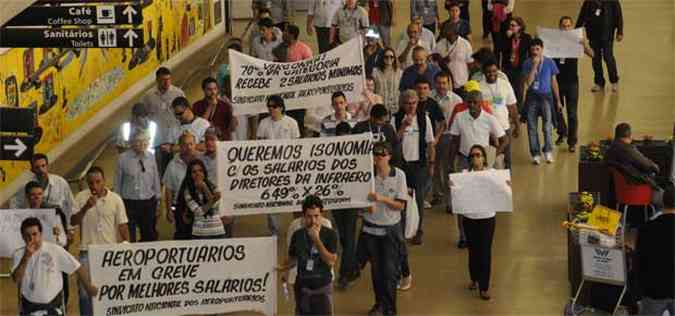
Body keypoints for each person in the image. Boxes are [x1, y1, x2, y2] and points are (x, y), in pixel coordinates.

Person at [448, 90, 507, 247]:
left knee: (482, 199)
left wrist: (492, 156)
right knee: (461, 200)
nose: (472, 105)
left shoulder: (489, 119)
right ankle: (463, 236)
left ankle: (481, 230)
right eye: (470, 102)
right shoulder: (460, 117)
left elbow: (504, 139)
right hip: (463, 161)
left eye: (475, 102)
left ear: (481, 103)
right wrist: (451, 163)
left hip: (482, 164)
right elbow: (454, 141)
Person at [357, 141, 408, 316]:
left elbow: (400, 205)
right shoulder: (366, 176)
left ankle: (390, 309)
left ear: (389, 156)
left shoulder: (399, 175)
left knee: (390, 272)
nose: (378, 158)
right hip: (370, 229)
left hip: (390, 230)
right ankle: (379, 304)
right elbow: (358, 206)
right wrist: (365, 209)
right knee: (376, 271)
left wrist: (381, 199)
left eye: (382, 155)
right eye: (375, 154)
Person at [71, 166, 129, 316]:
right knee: (85, 293)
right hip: (87, 252)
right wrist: (85, 208)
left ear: (104, 181)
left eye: (98, 182)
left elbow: (122, 225)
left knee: (112, 291)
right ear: (87, 183)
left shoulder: (116, 199)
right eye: (91, 183)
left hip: (111, 252)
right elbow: (73, 221)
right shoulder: (80, 197)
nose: (94, 186)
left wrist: (127, 246)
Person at [450, 144, 504, 301]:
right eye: (472, 156)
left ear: (484, 158)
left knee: (485, 251)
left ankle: (484, 286)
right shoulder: (464, 175)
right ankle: (474, 278)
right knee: (473, 251)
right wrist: (453, 187)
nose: (475, 158)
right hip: (470, 218)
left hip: (487, 218)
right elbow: (458, 193)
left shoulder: (492, 174)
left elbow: (501, 189)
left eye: (478, 155)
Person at [12, 217, 97, 315]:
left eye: (35, 234)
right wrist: (26, 257)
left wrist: (88, 287)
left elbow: (77, 267)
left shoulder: (55, 250)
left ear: (41, 234)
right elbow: (16, 279)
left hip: (53, 307)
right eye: (27, 235)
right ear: (22, 237)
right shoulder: (18, 254)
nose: (32, 239)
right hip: (29, 308)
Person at [278, 195, 338, 315]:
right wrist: (283, 268)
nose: (313, 221)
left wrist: (316, 240)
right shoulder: (297, 235)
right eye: (309, 217)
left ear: (322, 214)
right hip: (302, 289)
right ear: (303, 216)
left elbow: (331, 261)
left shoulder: (330, 234)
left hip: (322, 289)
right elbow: (293, 258)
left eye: (316, 216)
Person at [392, 89, 435, 245]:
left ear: (418, 103)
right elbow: (394, 141)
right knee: (401, 198)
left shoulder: (424, 119)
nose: (411, 106)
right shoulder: (395, 119)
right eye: (408, 103)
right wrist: (403, 126)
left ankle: (418, 231)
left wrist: (431, 164)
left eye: (414, 103)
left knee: (419, 200)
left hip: (419, 165)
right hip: (401, 165)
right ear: (402, 104)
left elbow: (430, 143)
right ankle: (402, 230)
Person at [257, 95, 301, 235]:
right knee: (272, 200)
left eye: (274, 106)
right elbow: (258, 146)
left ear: (281, 107)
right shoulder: (263, 123)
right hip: (270, 169)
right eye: (269, 106)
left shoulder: (292, 123)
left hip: (290, 168)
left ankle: (299, 228)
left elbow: (298, 147)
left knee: (295, 199)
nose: (271, 109)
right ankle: (274, 231)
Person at [553, 16, 594, 152]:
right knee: (556, 111)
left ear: (572, 27)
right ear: (559, 27)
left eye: (569, 26)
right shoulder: (554, 42)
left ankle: (572, 141)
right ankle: (562, 131)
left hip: (572, 83)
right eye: (564, 26)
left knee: (572, 114)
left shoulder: (576, 42)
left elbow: (592, 54)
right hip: (556, 82)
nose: (566, 28)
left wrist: (584, 44)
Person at [114, 130, 161, 242]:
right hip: (129, 202)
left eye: (145, 141)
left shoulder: (151, 157)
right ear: (131, 143)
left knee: (149, 234)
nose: (142, 144)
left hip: (148, 202)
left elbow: (155, 178)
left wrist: (158, 201)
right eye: (138, 141)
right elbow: (117, 183)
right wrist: (117, 203)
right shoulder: (123, 159)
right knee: (130, 236)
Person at [634, 183, 674, 316]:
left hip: (653, 291)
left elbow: (638, 262)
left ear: (663, 202)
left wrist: (638, 293)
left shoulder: (647, 228)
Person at [521, 38, 561, 165]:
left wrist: (558, 100)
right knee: (532, 127)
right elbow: (528, 82)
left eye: (537, 49)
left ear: (542, 49)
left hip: (546, 97)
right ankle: (535, 153)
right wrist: (534, 65)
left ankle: (548, 151)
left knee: (547, 127)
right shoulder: (527, 63)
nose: (535, 52)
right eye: (533, 49)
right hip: (532, 97)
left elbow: (554, 82)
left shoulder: (550, 62)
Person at [10, 153, 75, 232]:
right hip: (35, 229)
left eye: (43, 166)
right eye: (37, 167)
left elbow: (71, 206)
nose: (41, 170)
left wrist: (70, 229)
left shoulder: (60, 182)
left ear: (48, 166)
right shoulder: (26, 186)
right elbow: (14, 205)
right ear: (32, 170)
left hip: (58, 228)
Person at [142, 67, 186, 176]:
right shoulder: (148, 96)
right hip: (158, 141)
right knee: (159, 171)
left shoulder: (178, 93)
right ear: (157, 80)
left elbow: (185, 113)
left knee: (178, 169)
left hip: (175, 139)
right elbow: (143, 116)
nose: (167, 82)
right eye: (163, 80)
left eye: (169, 79)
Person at [478, 58, 519, 168]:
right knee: (489, 158)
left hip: (504, 127)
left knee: (508, 158)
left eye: (494, 71)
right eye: (489, 71)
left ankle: (507, 183)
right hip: (487, 130)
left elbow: (512, 105)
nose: (492, 74)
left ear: (498, 71)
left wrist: (517, 125)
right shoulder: (479, 87)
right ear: (484, 73)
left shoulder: (505, 84)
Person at [576, 0, 623, 92]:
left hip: (607, 35)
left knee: (608, 57)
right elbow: (582, 16)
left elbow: (618, 16)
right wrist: (575, 31)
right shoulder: (589, 1)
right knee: (595, 59)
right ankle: (599, 83)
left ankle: (614, 81)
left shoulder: (613, 1)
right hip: (593, 35)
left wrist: (620, 31)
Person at [430, 72, 463, 205]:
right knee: (435, 166)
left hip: (449, 137)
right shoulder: (429, 97)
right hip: (432, 137)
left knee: (449, 167)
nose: (441, 86)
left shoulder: (457, 100)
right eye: (438, 83)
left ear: (449, 83)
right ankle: (437, 194)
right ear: (434, 83)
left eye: (444, 83)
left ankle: (450, 198)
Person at [176, 159, 228, 239]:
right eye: (194, 172)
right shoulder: (188, 191)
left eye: (200, 170)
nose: (198, 174)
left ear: (204, 172)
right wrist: (213, 199)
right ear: (190, 175)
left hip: (218, 231)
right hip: (200, 233)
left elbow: (215, 207)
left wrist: (205, 187)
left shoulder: (212, 186)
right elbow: (198, 212)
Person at [163, 132, 200, 240]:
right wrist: (169, 210)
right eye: (185, 144)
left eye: (191, 144)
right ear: (179, 146)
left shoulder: (202, 160)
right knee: (182, 235)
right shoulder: (172, 164)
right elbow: (168, 189)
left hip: (199, 206)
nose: (188, 147)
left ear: (195, 145)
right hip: (180, 206)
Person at [605, 123, 661, 190]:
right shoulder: (628, 149)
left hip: (618, 191)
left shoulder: (609, 149)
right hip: (635, 188)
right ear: (629, 135)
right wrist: (656, 168)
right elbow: (648, 165)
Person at [433, 23, 474, 93]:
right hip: (446, 85)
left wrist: (470, 81)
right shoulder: (439, 45)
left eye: (451, 34)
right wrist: (442, 61)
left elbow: (470, 64)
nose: (448, 37)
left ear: (456, 33)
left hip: (462, 83)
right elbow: (434, 62)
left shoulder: (465, 44)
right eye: (447, 34)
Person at [501, 16, 531, 111]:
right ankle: (508, 111)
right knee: (507, 91)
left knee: (519, 92)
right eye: (510, 25)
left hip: (520, 69)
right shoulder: (507, 37)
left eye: (513, 25)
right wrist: (507, 38)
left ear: (520, 27)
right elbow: (501, 49)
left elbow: (529, 53)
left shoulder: (526, 38)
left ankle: (518, 112)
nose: (511, 27)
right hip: (508, 68)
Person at [372, 47, 403, 116]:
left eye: (391, 57)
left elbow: (401, 90)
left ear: (394, 58)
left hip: (395, 107)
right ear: (382, 58)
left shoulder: (400, 73)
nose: (389, 59)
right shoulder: (375, 72)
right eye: (386, 57)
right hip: (379, 107)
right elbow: (372, 89)